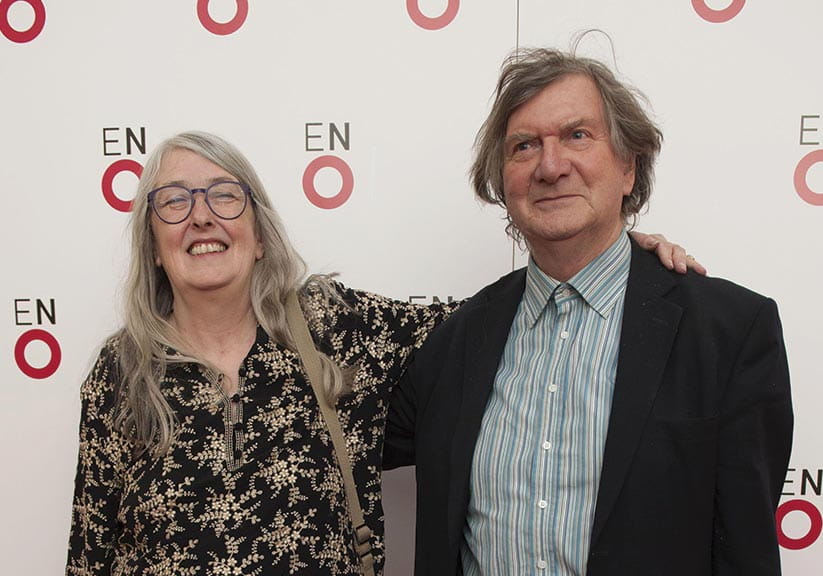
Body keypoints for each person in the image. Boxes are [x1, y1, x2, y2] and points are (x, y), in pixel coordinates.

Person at [65, 130, 698, 576]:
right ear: (153, 245)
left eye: (224, 196)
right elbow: (91, 555)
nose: (201, 217)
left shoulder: (331, 326)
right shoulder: (120, 374)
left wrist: (607, 252)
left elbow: (494, 322)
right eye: (174, 201)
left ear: (258, 234)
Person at [384, 48, 793, 576]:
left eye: (577, 135)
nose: (550, 166)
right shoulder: (451, 341)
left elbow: (746, 551)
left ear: (629, 167)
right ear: (501, 182)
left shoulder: (730, 332)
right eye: (524, 146)